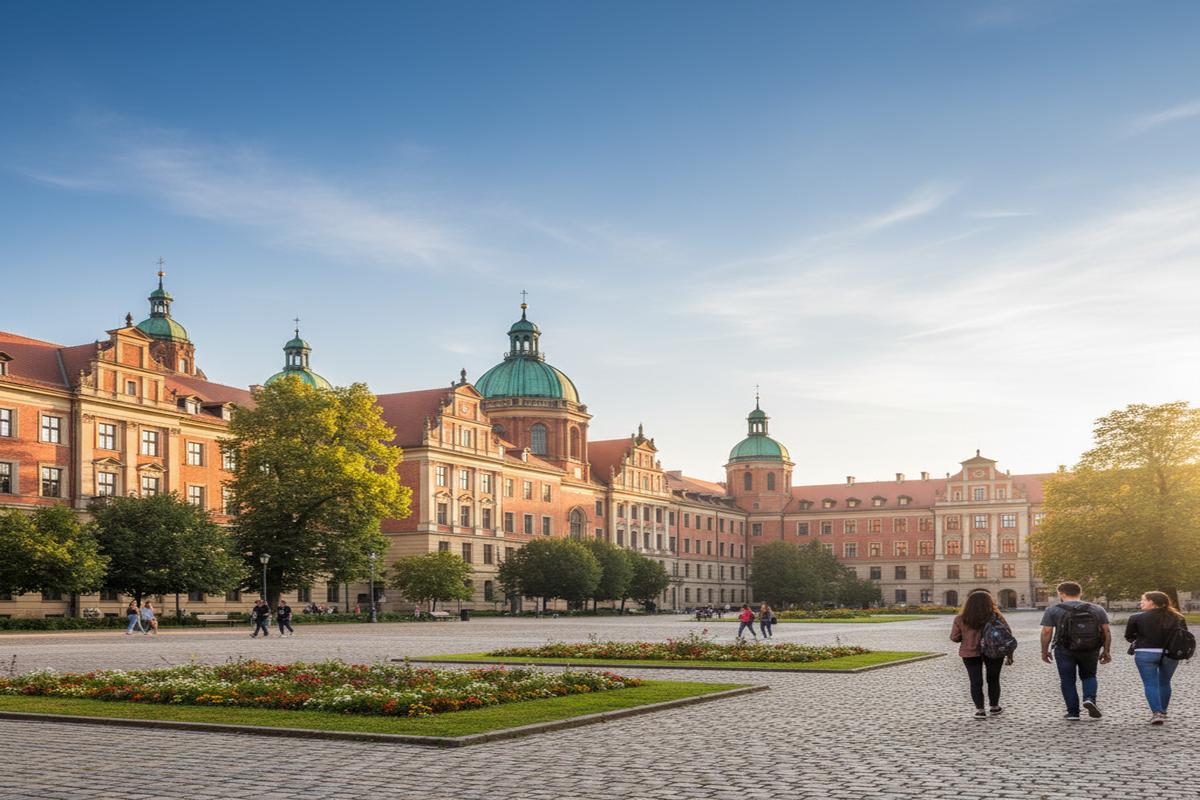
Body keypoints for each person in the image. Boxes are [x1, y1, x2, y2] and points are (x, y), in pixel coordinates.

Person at [1040, 581, 1111, 720]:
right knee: (1089, 676)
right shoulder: (1097, 609)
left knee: (1067, 680)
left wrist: (1044, 651)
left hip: (1064, 649)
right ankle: (1090, 698)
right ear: (1080, 593)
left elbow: (1046, 631)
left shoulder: (1053, 610)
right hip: (1091, 648)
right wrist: (1106, 650)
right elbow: (1106, 631)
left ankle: (1073, 712)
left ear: (1061, 593)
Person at [1125, 591, 1188, 724]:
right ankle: (1163, 711)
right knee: (1165, 682)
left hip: (1145, 653)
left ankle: (1157, 713)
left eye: (1143, 600)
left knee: (1150, 683)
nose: (1141, 602)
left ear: (1152, 602)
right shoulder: (1178, 617)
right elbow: (1184, 636)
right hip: (1170, 653)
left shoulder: (1136, 618)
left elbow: (1129, 636)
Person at [951, 590, 1013, 719]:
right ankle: (994, 707)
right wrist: (1010, 655)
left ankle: (980, 710)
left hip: (970, 652)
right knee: (993, 679)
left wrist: (966, 636)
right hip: (994, 652)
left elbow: (954, 637)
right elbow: (1007, 635)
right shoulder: (996, 617)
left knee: (975, 681)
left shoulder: (961, 618)